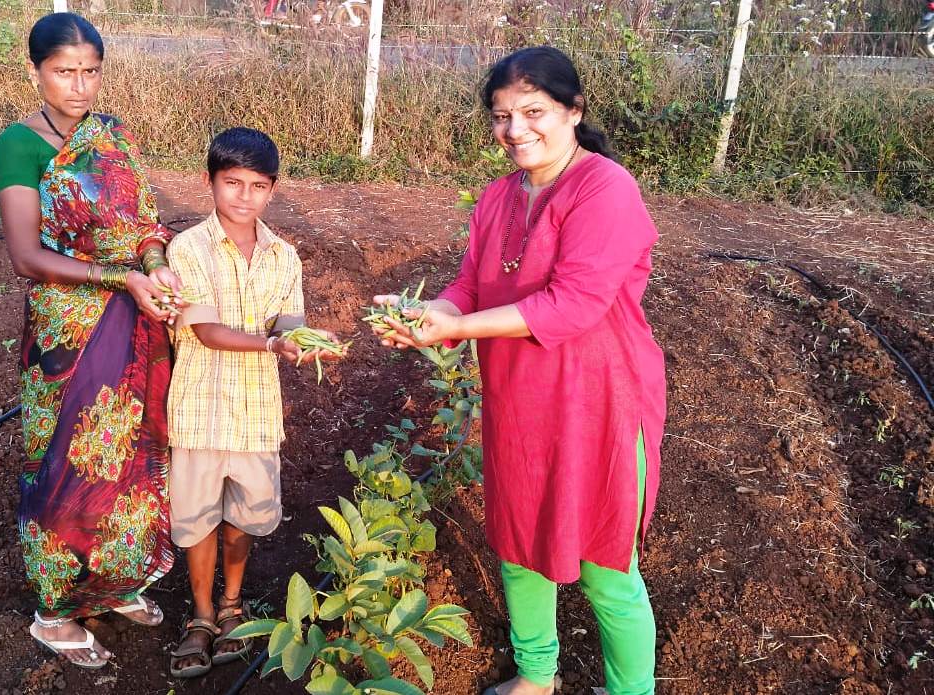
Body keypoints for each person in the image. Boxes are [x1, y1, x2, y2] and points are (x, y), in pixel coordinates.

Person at [371, 46, 666, 695]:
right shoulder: (499, 196)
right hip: (519, 400)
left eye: (534, 112)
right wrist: (430, 312)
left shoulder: (605, 188)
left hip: (597, 404)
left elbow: (574, 304)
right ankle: (536, 674)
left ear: (573, 110)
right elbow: (470, 285)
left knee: (606, 568)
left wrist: (455, 329)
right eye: (502, 116)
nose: (516, 130)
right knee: (519, 544)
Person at [0, 12, 182, 669]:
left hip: (135, 317)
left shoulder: (112, 135)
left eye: (91, 72)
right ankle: (55, 610)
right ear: (36, 71)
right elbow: (26, 255)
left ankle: (115, 581)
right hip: (67, 333)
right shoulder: (19, 145)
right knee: (66, 464)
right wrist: (121, 277)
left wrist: (155, 266)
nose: (79, 86)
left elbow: (145, 222)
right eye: (64, 72)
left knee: (129, 456)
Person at [163, 127, 339, 678]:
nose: (244, 196)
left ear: (272, 189)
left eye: (257, 186)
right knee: (198, 521)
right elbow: (207, 331)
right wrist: (272, 343)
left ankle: (232, 603)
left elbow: (289, 321)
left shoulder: (284, 257)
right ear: (210, 181)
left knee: (242, 519)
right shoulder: (187, 248)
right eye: (232, 182)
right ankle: (200, 614)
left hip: (256, 414)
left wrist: (304, 339)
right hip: (199, 410)